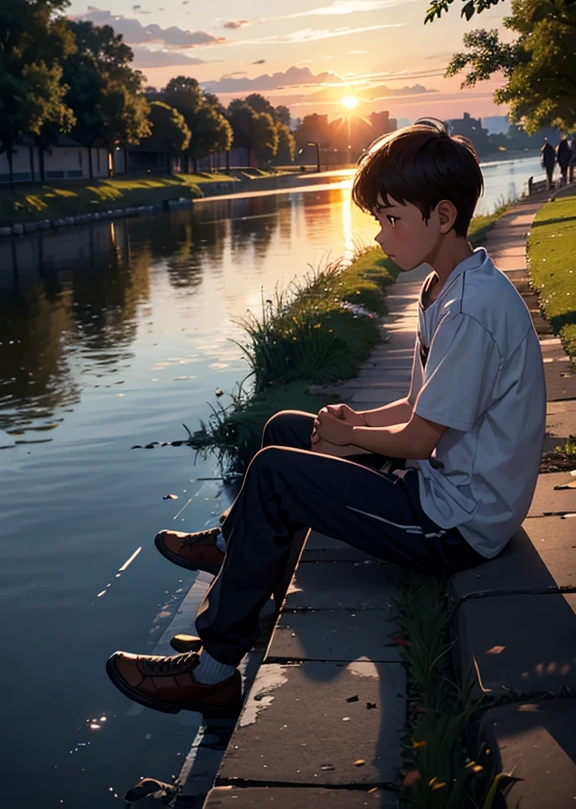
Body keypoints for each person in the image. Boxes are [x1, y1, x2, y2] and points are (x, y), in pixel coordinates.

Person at [106, 120, 546, 717]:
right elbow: (422, 406)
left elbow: (419, 438)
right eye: (378, 220)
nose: (382, 235)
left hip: (456, 523)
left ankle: (212, 669)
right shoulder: (448, 286)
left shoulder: (470, 309)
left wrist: (352, 435)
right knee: (288, 428)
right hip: (444, 483)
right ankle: (235, 550)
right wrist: (354, 422)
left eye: (392, 218)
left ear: (443, 216)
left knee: (276, 474)